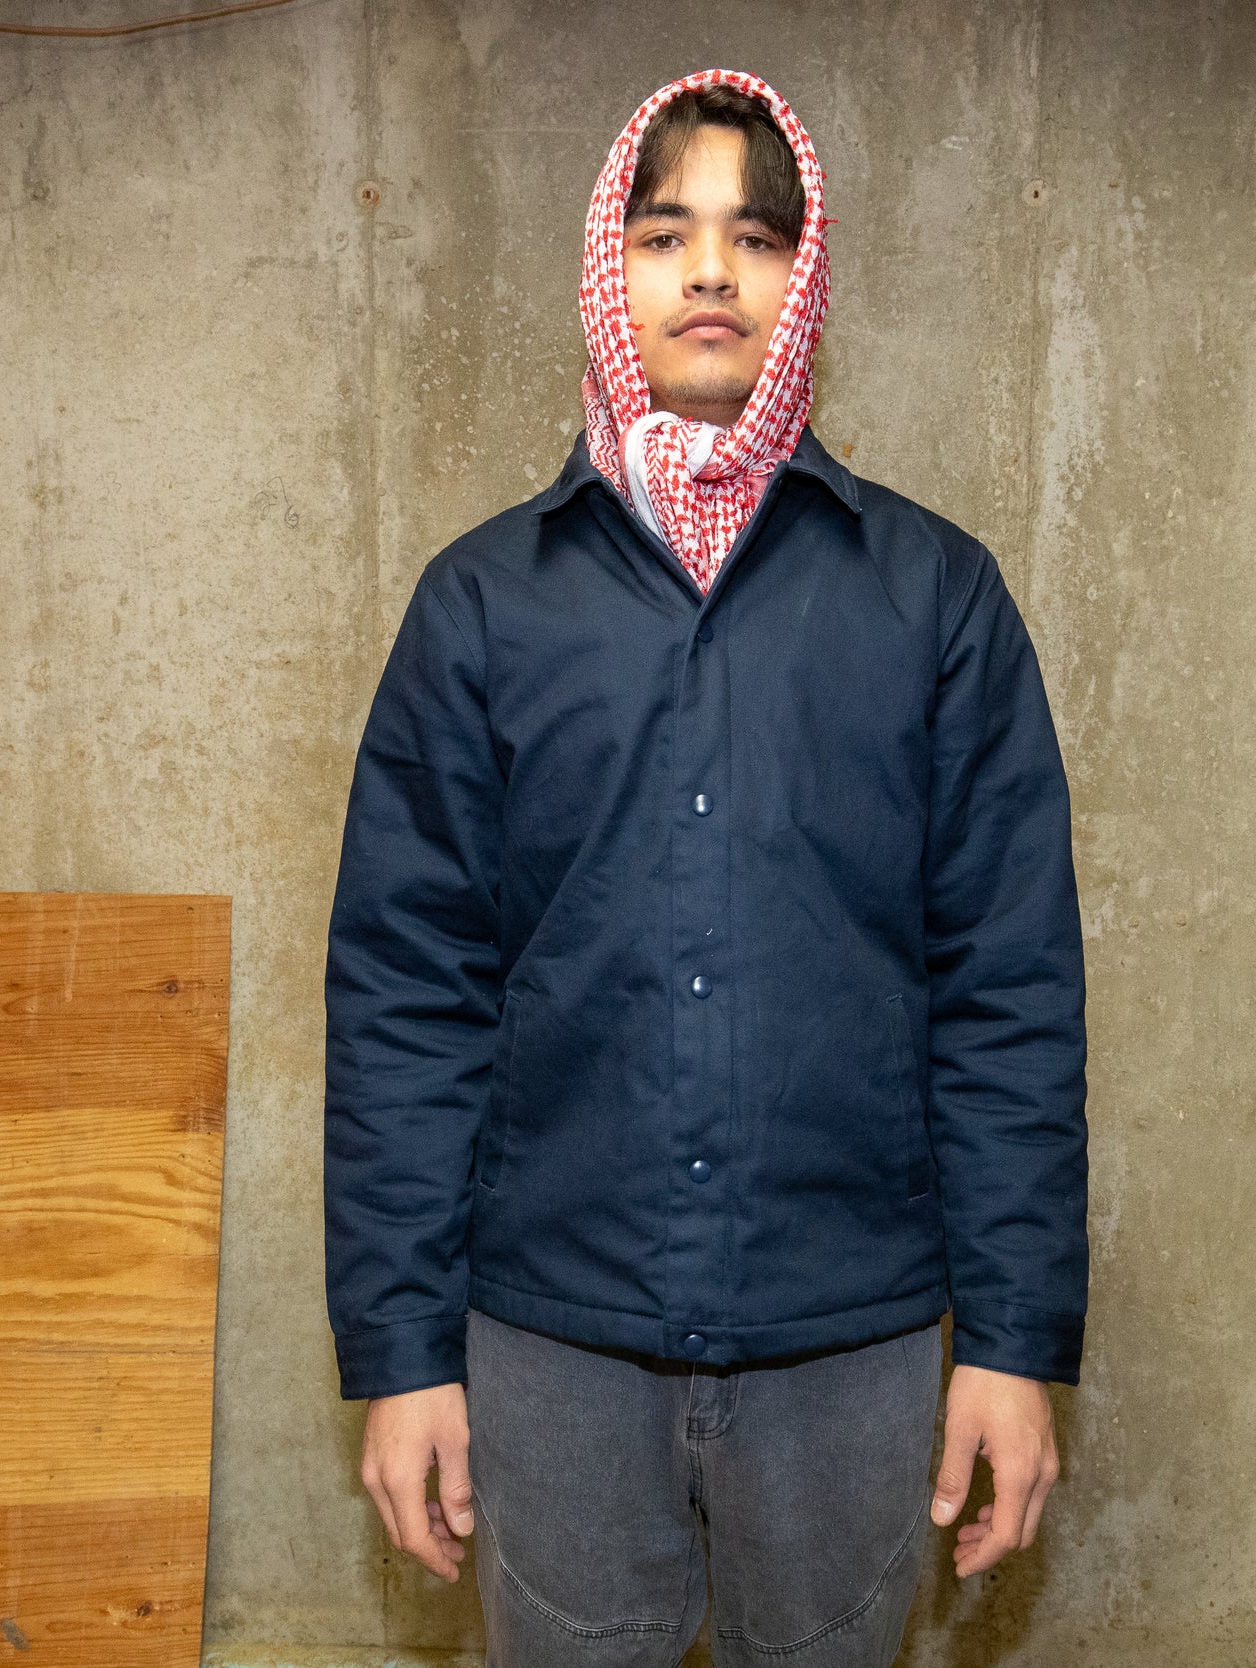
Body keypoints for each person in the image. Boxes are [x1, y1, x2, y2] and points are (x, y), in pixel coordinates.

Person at [324, 66, 1089, 1668]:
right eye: (664, 233)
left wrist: (1012, 1344)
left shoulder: (932, 597)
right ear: (608, 273)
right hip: (550, 1343)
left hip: (849, 1342)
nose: (710, 272)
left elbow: (1006, 995)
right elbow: (407, 999)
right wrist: (401, 1356)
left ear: (803, 278)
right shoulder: (482, 605)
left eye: (755, 235)